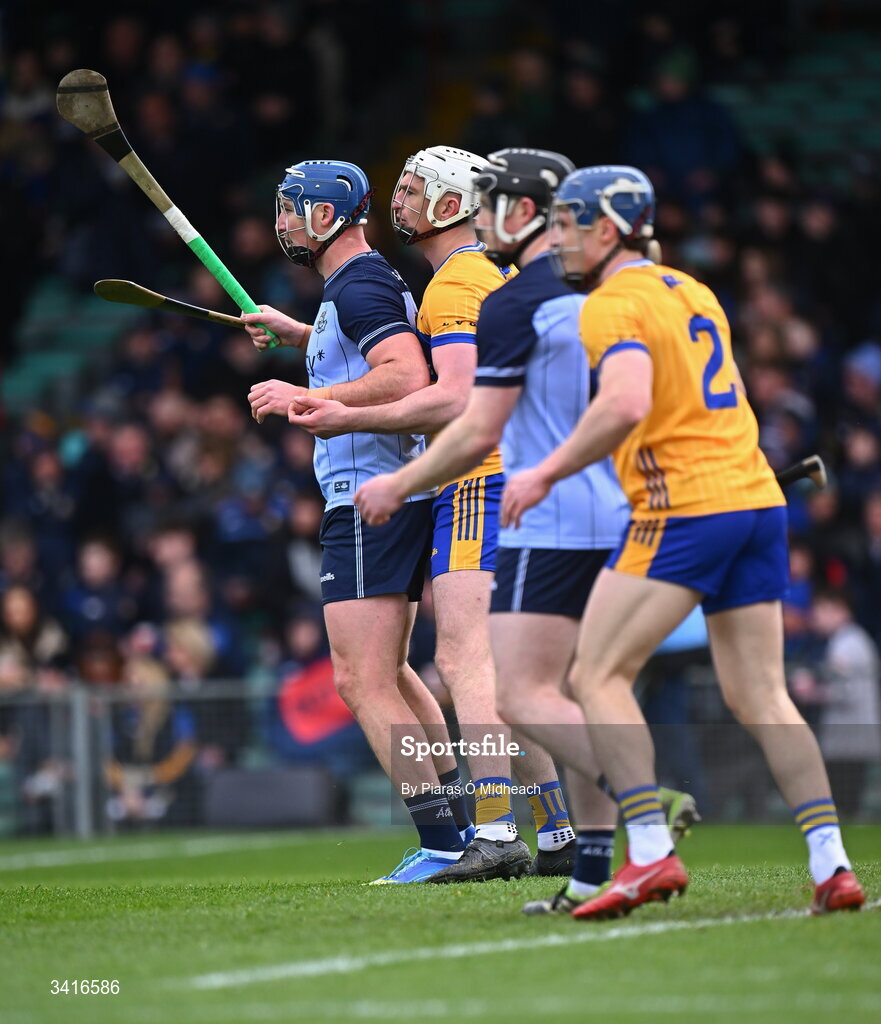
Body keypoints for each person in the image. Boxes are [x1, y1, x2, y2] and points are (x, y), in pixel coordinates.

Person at [501, 164, 865, 917]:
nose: (557, 237)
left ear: (606, 230)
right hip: (756, 502)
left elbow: (627, 399)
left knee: (594, 676)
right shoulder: (691, 290)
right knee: (759, 692)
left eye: (568, 223)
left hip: (686, 509)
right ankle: (832, 866)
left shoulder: (609, 304)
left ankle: (648, 854)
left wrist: (544, 473)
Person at [349, 149, 697, 911]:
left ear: (449, 203)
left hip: (484, 481)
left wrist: (346, 418)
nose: (397, 201)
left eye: (412, 190)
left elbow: (459, 400)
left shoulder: (461, 279)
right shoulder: (475, 279)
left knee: (470, 662)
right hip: (519, 481)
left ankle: (504, 828)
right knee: (513, 673)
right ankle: (561, 834)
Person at [288, 146, 532, 882]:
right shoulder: (424, 281)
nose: (400, 200)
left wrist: (323, 406)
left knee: (402, 673)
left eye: (416, 189)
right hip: (466, 481)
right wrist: (301, 340)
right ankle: (516, 830)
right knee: (417, 669)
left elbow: (428, 383)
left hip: (447, 483)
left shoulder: (445, 282)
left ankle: (472, 834)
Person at [243, 159, 471, 883]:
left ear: (325, 215)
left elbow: (407, 374)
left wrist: (309, 394)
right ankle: (464, 834)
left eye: (290, 209)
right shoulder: (357, 285)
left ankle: (442, 842)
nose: (280, 223)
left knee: (359, 680)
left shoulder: (362, 280)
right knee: (395, 676)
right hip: (387, 493)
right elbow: (367, 340)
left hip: (370, 496)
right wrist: (300, 333)